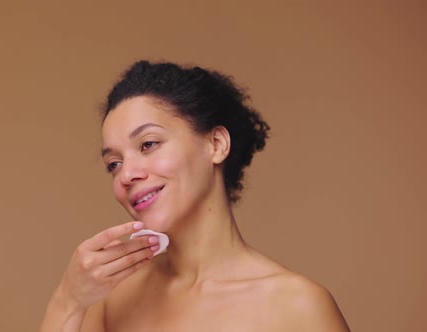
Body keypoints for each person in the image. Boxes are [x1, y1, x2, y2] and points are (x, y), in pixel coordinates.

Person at [40, 60, 350, 331]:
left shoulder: (297, 307)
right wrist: (68, 299)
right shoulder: (111, 299)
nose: (126, 174)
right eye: (114, 164)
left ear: (216, 144)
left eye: (148, 144)